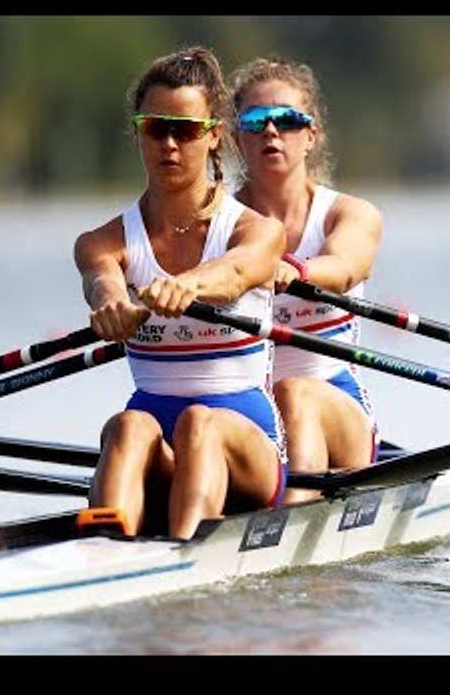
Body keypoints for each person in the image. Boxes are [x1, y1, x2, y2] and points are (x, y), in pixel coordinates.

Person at [73, 46, 287, 540]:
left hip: (247, 448)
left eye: (185, 130)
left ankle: (184, 552)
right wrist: (109, 303)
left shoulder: (256, 231)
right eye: (156, 127)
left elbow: (235, 274)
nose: (169, 143)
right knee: (126, 427)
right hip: (156, 441)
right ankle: (107, 548)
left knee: (199, 422)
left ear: (214, 137)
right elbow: (100, 277)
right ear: (137, 132)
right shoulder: (102, 241)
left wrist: (184, 285)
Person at [230, 57, 383, 504]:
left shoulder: (348, 213)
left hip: (336, 407)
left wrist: (294, 271)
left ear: (310, 135)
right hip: (250, 414)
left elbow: (347, 266)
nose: (272, 132)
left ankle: (292, 527)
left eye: (288, 120)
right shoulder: (217, 226)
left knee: (294, 392)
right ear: (238, 138)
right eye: (256, 121)